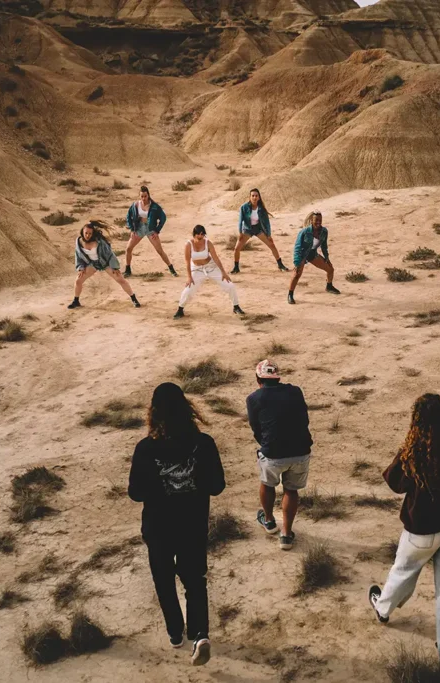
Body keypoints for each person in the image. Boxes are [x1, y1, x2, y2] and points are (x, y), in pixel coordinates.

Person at [368, 394, 440, 662]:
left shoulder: (414, 452)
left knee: (403, 572)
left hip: (421, 532)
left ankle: (383, 608)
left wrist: (405, 452)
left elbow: (394, 482)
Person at [128, 382, 225, 667]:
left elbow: (135, 493)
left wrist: (157, 486)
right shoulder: (203, 444)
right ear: (187, 409)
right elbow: (217, 486)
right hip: (193, 525)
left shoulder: (146, 449)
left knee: (164, 580)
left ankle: (175, 633)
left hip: (158, 528)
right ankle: (200, 635)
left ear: (154, 413)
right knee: (195, 581)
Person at [246, 359, 312, 550]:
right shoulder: (295, 391)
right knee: (291, 490)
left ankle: (269, 521)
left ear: (258, 379)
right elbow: (304, 418)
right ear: (278, 378)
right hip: (300, 450)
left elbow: (255, 427)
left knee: (267, 484)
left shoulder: (254, 398)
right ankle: (286, 534)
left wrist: (266, 445)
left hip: (273, 452)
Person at [174, 225, 245, 319]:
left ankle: (236, 307)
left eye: (202, 236)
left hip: (210, 267)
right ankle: (180, 309)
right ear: (194, 235)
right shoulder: (188, 245)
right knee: (188, 289)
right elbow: (187, 262)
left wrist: (223, 272)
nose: (201, 238)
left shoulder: (208, 243)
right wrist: (189, 277)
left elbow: (216, 258)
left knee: (229, 285)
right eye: (199, 237)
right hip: (196, 269)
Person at [69, 220, 140, 309]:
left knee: (120, 279)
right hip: (93, 264)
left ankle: (134, 299)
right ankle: (76, 301)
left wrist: (114, 267)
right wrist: (80, 267)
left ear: (93, 233)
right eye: (86, 233)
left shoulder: (100, 242)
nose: (87, 235)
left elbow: (110, 254)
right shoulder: (79, 242)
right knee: (78, 280)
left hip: (105, 262)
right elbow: (78, 255)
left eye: (90, 234)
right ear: (82, 232)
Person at [232, 188, 289, 274]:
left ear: (259, 197)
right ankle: (236, 268)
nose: (254, 197)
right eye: (253, 196)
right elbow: (240, 221)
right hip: (247, 229)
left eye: (256, 196)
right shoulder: (244, 207)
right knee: (237, 248)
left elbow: (267, 223)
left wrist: (269, 235)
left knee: (272, 245)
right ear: (250, 197)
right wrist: (240, 232)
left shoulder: (261, 209)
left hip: (258, 229)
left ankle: (280, 265)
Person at [124, 186, 177, 278]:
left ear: (148, 195)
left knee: (160, 251)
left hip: (150, 229)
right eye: (142, 196)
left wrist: (157, 230)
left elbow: (163, 218)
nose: (144, 198)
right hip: (139, 228)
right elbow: (128, 216)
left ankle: (171, 268)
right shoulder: (135, 205)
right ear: (139, 196)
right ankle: (127, 270)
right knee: (128, 248)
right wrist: (132, 229)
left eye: (145, 196)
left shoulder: (154, 206)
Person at [288, 211, 339, 305]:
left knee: (330, 269)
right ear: (311, 220)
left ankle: (329, 286)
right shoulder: (304, 232)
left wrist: (327, 258)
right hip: (302, 254)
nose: (318, 222)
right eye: (316, 220)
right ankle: (290, 295)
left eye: (320, 220)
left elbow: (324, 246)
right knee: (296, 274)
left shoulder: (324, 231)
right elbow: (297, 247)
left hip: (312, 254)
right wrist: (297, 262)